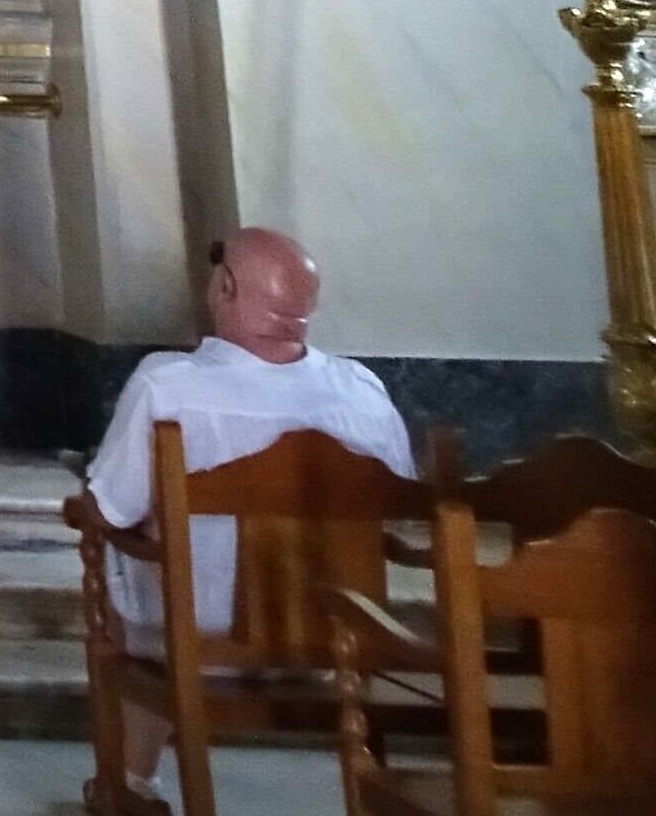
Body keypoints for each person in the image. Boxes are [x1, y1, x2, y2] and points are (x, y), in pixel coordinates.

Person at [81, 228, 413, 811]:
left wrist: (86, 507)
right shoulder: (362, 392)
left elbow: (113, 507)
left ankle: (132, 778)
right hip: (340, 632)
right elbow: (403, 506)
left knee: (126, 577)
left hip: (202, 635)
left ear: (225, 288)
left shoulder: (167, 386)